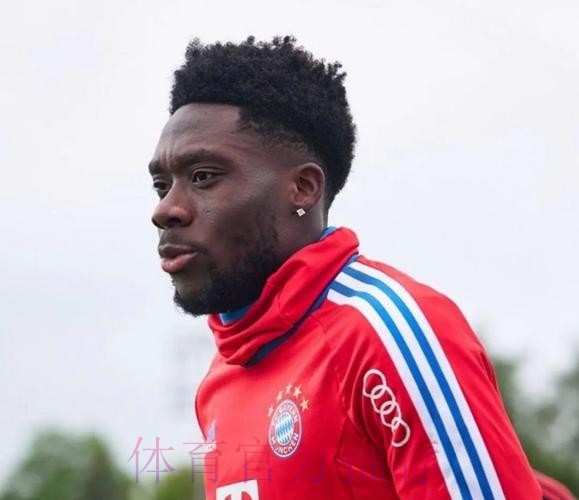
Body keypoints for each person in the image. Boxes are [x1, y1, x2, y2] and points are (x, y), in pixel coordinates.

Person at [149, 36, 547, 499]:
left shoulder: (387, 333)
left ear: (303, 188)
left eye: (203, 177)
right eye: (161, 185)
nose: (165, 209)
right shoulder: (219, 380)